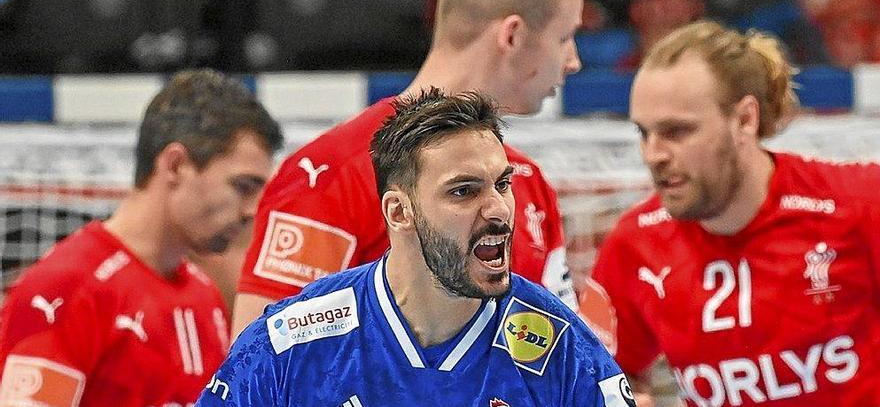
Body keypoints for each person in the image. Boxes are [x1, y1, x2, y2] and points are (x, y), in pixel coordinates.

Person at [232, 0, 585, 335]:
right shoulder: (332, 175)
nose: (573, 61)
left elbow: (562, 359)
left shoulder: (529, 184)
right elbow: (260, 367)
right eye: (564, 37)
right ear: (513, 36)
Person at [197, 89, 635, 406]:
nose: (499, 209)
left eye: (502, 185)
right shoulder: (292, 343)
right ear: (399, 212)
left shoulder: (563, 349)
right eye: (464, 192)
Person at [591, 20, 880, 406]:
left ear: (745, 120)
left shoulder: (858, 202)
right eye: (644, 133)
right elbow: (593, 376)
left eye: (677, 131)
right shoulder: (633, 243)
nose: (653, 155)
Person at [0, 69, 284, 406]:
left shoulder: (203, 294)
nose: (253, 210)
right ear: (175, 165)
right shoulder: (64, 290)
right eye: (242, 186)